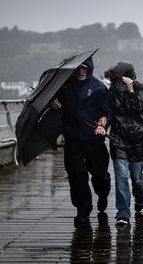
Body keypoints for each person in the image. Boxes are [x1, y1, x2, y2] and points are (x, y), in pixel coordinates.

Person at [51, 55, 111, 226]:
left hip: (93, 138)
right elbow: (58, 109)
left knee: (99, 174)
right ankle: (83, 209)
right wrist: (55, 106)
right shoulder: (65, 87)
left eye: (84, 68)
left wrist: (103, 124)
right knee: (76, 174)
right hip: (72, 137)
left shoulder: (99, 88)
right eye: (78, 68)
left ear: (89, 68)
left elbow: (107, 112)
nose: (80, 71)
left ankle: (103, 194)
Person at [105, 62, 143, 227]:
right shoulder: (111, 93)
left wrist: (131, 89)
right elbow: (108, 113)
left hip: (138, 139)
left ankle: (141, 197)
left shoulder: (140, 89)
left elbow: (137, 109)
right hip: (118, 138)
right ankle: (123, 212)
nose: (119, 83)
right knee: (122, 176)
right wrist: (101, 125)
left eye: (121, 79)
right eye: (116, 80)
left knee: (136, 178)